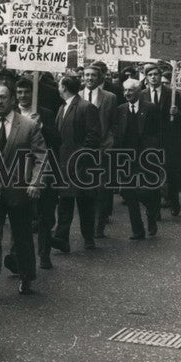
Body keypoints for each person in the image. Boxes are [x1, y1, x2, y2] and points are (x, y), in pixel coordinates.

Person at [0, 83, 46, 298]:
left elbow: (41, 156)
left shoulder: (28, 125)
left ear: (12, 99)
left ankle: (26, 277)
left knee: (22, 237)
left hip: (19, 191)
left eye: (3, 98)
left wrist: (36, 182)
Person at [50, 73, 101, 254]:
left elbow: (94, 136)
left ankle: (88, 238)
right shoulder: (62, 108)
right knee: (65, 201)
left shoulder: (86, 107)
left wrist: (82, 157)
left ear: (64, 87)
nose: (58, 88)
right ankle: (62, 238)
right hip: (64, 164)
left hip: (81, 165)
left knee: (85, 202)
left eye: (59, 85)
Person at [15, 76, 59, 268]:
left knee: (45, 214)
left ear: (34, 94)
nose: (23, 96)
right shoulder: (11, 113)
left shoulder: (46, 113)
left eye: (27, 92)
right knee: (20, 213)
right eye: (19, 92)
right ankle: (19, 256)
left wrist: (41, 127)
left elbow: (58, 140)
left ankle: (44, 253)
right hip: (17, 169)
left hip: (42, 168)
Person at [140, 65, 181, 215]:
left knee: (171, 173)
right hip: (150, 140)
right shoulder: (142, 94)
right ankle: (155, 209)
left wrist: (177, 113)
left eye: (156, 74)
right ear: (147, 78)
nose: (153, 77)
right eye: (150, 75)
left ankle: (174, 202)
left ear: (160, 76)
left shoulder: (172, 94)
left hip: (169, 141)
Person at [115, 78, 161, 239]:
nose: (127, 93)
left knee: (144, 192)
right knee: (129, 194)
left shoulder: (150, 108)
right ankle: (138, 230)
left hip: (145, 158)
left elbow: (158, 132)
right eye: (125, 90)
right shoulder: (120, 109)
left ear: (139, 91)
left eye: (130, 90)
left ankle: (151, 213)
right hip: (126, 158)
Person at [80, 64, 117, 237]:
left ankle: (99, 225)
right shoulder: (77, 96)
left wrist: (109, 143)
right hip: (82, 149)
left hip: (103, 148)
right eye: (86, 75)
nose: (89, 78)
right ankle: (87, 226)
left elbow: (114, 123)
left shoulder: (110, 97)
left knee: (102, 188)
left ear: (100, 77)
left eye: (93, 75)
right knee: (86, 189)